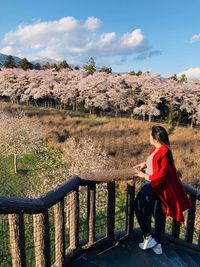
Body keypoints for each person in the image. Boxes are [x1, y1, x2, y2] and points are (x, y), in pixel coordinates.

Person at [133, 125, 191, 255]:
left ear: (156, 139)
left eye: (150, 135)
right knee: (158, 214)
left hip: (153, 185)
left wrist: (143, 175)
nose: (148, 137)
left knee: (137, 206)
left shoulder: (164, 152)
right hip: (154, 185)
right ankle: (157, 244)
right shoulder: (157, 149)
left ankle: (148, 237)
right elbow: (156, 164)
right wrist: (145, 164)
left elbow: (161, 176)